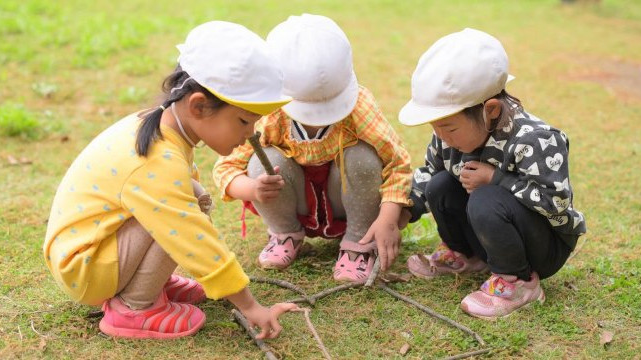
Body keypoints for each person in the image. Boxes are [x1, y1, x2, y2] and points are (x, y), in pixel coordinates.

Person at [43, 21, 297, 339]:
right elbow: (190, 235)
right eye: (244, 120)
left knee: (193, 195)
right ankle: (134, 308)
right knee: (183, 212)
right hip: (86, 267)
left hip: (92, 250)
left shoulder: (160, 124)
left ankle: (148, 284)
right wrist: (249, 305)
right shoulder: (156, 158)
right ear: (199, 106)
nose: (250, 134)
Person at [398, 28, 586, 320]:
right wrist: (399, 214)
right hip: (488, 235)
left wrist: (497, 179)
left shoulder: (536, 140)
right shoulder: (447, 139)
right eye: (433, 128)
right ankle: (467, 256)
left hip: (541, 246)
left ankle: (519, 282)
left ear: (491, 110)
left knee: (485, 198)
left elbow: (555, 202)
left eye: (448, 127)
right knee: (440, 184)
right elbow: (428, 173)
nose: (440, 137)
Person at [213, 14, 412, 282]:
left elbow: (397, 163)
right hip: (295, 200)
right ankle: (285, 234)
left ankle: (358, 243)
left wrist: (388, 218)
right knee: (263, 160)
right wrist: (252, 189)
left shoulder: (359, 108)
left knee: (362, 157)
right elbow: (227, 166)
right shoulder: (269, 115)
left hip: (344, 198)